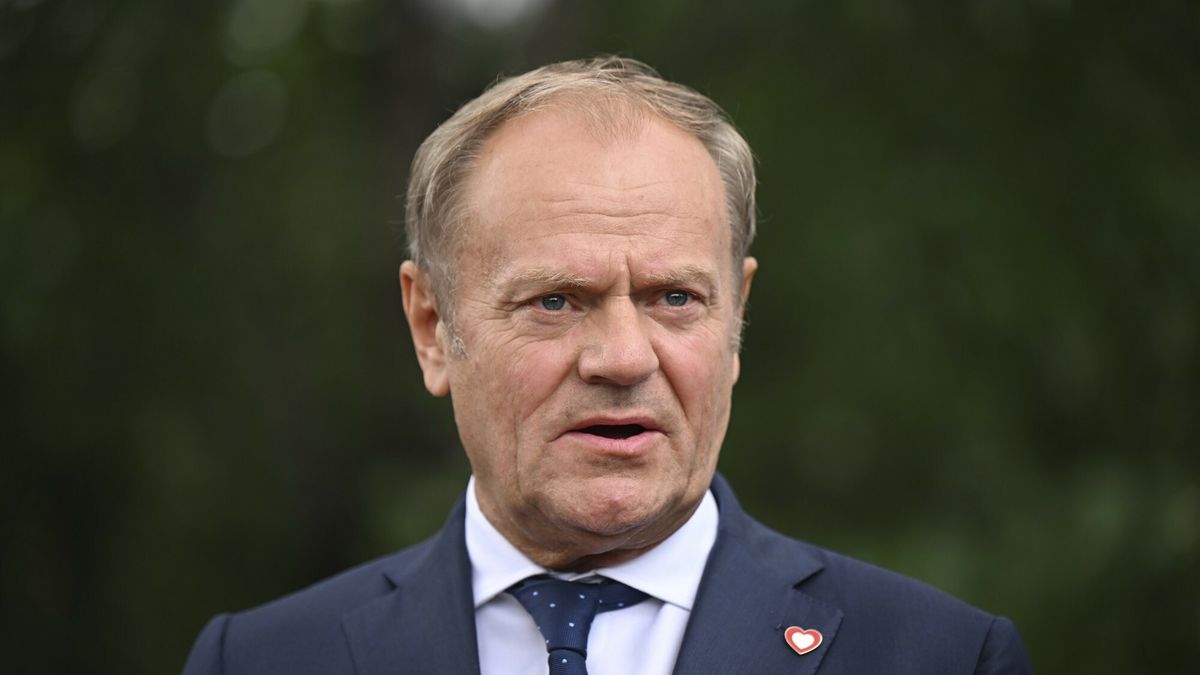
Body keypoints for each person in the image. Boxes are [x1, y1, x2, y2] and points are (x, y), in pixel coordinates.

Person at [182, 56, 1033, 675]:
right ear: (433, 326)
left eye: (675, 298)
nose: (625, 357)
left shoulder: (943, 658)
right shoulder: (257, 660)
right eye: (555, 301)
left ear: (737, 316)